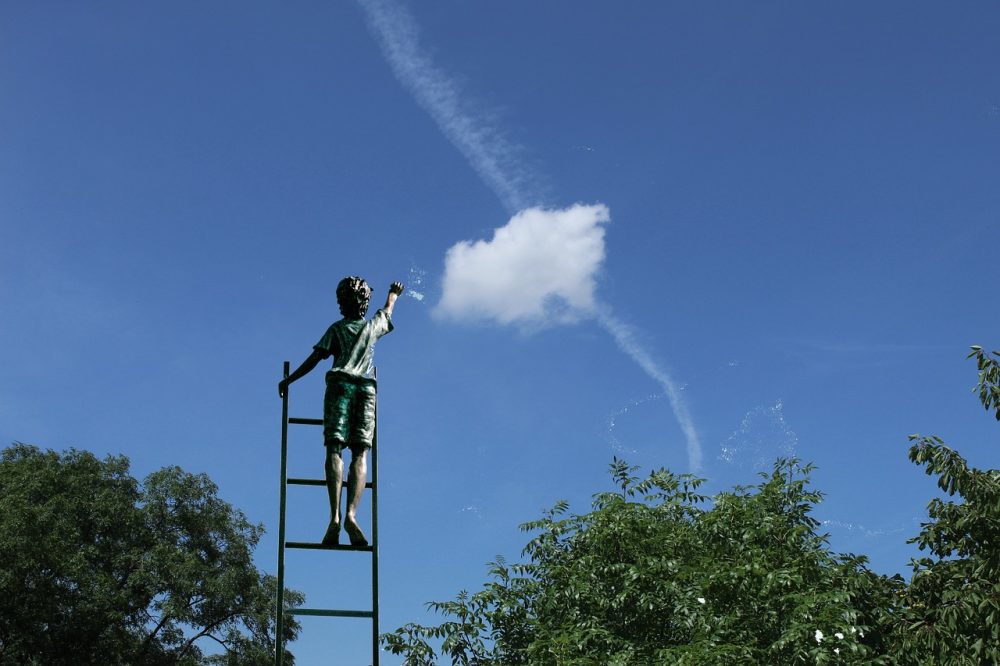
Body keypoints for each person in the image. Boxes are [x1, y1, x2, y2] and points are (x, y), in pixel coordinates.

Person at [279, 277, 404, 546]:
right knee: (361, 452)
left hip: (339, 386)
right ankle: (351, 514)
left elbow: (314, 359)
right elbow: (387, 311)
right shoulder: (372, 327)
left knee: (334, 449)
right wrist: (393, 294)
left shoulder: (336, 329)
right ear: (364, 302)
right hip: (366, 389)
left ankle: (334, 516)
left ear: (341, 302)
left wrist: (290, 381)